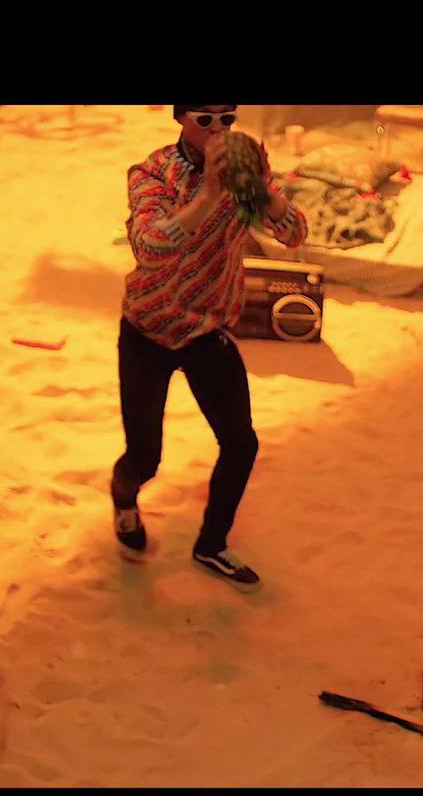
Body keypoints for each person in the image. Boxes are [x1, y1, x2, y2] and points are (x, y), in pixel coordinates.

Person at [112, 105, 307, 591]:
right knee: (144, 457)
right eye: (205, 120)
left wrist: (264, 194)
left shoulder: (246, 162)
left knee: (241, 444)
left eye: (227, 119)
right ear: (180, 119)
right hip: (148, 327)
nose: (218, 131)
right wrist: (208, 197)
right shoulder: (153, 172)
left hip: (207, 328)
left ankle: (211, 543)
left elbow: (294, 234)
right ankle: (124, 502)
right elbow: (149, 246)